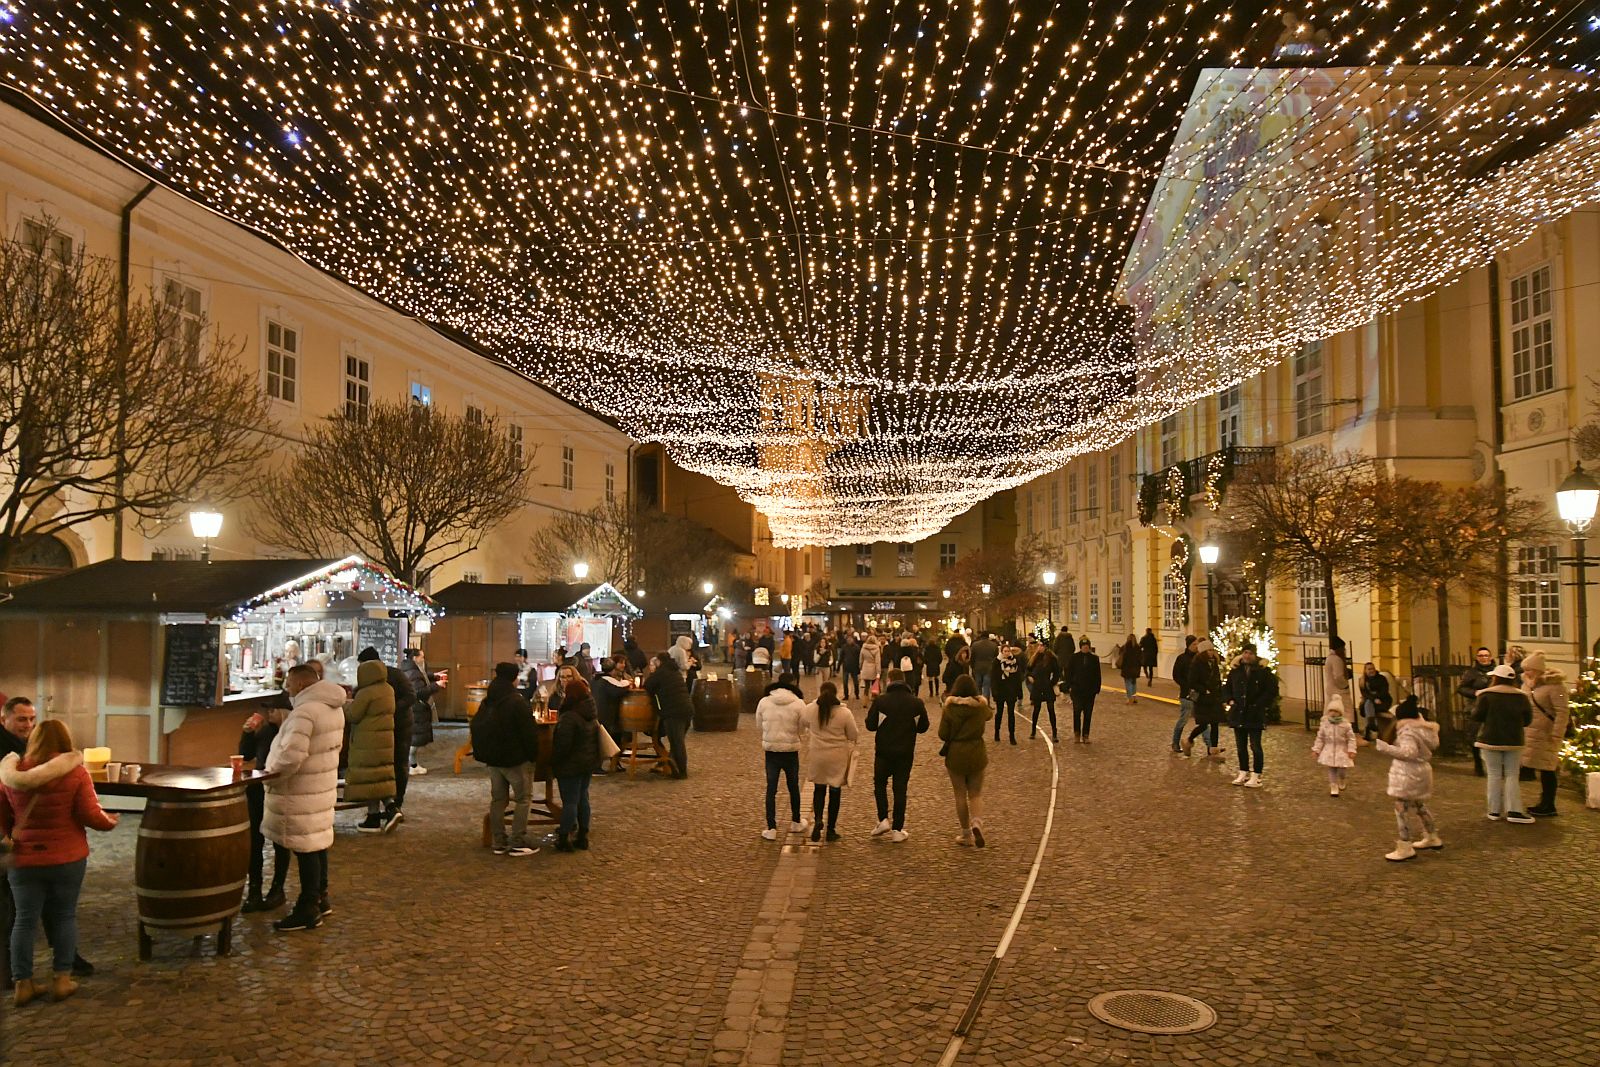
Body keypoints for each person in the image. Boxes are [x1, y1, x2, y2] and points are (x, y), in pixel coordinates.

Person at [0, 719, 117, 1006]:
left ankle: (22, 984)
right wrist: (110, 822)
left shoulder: (11, 774)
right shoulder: (75, 773)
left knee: (24, 920)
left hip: (24, 857)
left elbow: (2, 818)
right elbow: (91, 814)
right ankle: (62, 979)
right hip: (67, 856)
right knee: (64, 915)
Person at [262, 663, 346, 931]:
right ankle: (321, 898)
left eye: (288, 684)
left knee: (305, 847)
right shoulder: (332, 707)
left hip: (299, 791)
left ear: (300, 684)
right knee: (317, 843)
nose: (286, 690)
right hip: (320, 787)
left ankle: (308, 908)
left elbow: (291, 757)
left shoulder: (305, 713)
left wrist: (271, 775)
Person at [471, 663, 541, 857]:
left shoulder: (488, 700)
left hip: (493, 760)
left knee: (498, 799)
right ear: (514, 678)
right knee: (523, 799)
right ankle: (518, 840)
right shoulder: (516, 701)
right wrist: (532, 756)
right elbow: (528, 732)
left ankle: (499, 841)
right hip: (515, 759)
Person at [238, 698, 290, 914]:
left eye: (272, 709)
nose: (268, 713)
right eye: (267, 709)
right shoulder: (267, 731)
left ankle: (277, 889)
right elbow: (246, 754)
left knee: (280, 839)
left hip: (280, 789)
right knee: (255, 840)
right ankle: (254, 890)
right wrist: (247, 733)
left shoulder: (291, 734)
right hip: (259, 788)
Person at [1375, 697, 1443, 860]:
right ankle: (1432, 836)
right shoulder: (1426, 730)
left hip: (1408, 773)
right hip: (1423, 771)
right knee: (1419, 805)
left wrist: (1386, 748)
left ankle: (1404, 845)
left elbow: (1408, 753)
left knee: (1401, 808)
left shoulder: (1407, 732)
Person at [866, 668, 928, 842]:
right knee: (900, 789)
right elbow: (923, 727)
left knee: (880, 784)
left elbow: (870, 725)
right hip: (905, 752)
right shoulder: (916, 703)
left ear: (890, 681)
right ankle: (897, 829)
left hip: (883, 751)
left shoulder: (881, 701)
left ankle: (883, 818)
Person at [357, 646, 414, 831]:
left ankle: (396, 804)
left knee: (398, 763)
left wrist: (389, 710)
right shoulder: (368, 680)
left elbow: (410, 696)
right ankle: (389, 807)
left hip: (400, 727)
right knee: (382, 767)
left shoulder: (395, 675)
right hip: (382, 729)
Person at [1473, 664, 1534, 823]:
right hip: (1514, 740)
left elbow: (1477, 716)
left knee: (1493, 775)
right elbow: (1527, 720)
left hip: (1490, 739)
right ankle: (1514, 810)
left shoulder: (1486, 695)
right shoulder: (1521, 696)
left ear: (1495, 678)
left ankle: (1493, 811)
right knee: (1512, 775)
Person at [939, 676, 993, 848]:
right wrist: (982, 701)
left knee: (960, 794)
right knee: (975, 793)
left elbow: (942, 734)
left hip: (956, 753)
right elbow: (989, 714)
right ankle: (977, 823)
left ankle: (965, 834)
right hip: (977, 751)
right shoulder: (980, 708)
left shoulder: (949, 709)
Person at [346, 659, 398, 834]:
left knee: (370, 777)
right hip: (384, 741)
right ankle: (378, 814)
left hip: (367, 741)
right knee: (378, 777)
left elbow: (354, 715)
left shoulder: (367, 693)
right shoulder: (388, 689)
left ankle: (382, 813)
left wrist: (344, 706)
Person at [802, 682, 858, 843]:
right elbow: (853, 734)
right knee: (835, 792)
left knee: (818, 789)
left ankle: (818, 818)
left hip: (817, 754)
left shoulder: (812, 709)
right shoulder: (844, 713)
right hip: (837, 756)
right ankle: (831, 829)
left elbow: (804, 721)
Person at [755, 674, 808, 840]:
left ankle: (771, 827)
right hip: (791, 750)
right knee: (793, 786)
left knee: (771, 788)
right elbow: (802, 728)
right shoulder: (799, 703)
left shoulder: (764, 702)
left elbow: (759, 724)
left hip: (771, 750)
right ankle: (796, 821)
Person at [551, 676, 600, 853]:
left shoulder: (570, 717)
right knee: (583, 798)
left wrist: (554, 761)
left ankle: (564, 838)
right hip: (586, 763)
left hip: (570, 765)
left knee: (570, 801)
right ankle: (582, 836)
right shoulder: (590, 712)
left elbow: (563, 746)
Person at [1521, 650, 1571, 817]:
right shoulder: (1528, 685)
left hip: (1547, 734)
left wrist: (1557, 734)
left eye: (1529, 669)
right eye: (1525, 669)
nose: (1526, 672)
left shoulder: (1556, 686)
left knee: (1548, 768)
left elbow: (1563, 712)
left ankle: (1548, 804)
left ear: (1538, 670)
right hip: (1532, 733)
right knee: (1542, 768)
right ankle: (1543, 802)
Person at [1224, 643, 1277, 788]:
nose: (1247, 656)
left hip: (1254, 714)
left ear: (1255, 655)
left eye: (1250, 653)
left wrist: (1259, 704)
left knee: (1255, 745)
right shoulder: (1236, 671)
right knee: (1241, 746)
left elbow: (1271, 691)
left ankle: (1256, 775)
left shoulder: (1263, 671)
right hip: (1238, 713)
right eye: (1245, 653)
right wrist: (1230, 699)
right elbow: (1227, 687)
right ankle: (1243, 771)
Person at [644, 651, 693, 779]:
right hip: (686, 709)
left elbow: (647, 685)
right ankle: (672, 767)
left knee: (677, 742)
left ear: (659, 661)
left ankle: (681, 772)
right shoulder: (674, 670)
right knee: (678, 741)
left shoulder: (661, 672)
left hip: (673, 711)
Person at [1455, 646, 1496, 777]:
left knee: (1492, 737)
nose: (1484, 658)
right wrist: (1475, 692)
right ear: (1477, 658)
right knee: (1475, 736)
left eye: (1486, 655)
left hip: (1493, 708)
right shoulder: (1471, 673)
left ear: (1490, 657)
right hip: (1476, 706)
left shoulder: (1496, 671)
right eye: (1481, 656)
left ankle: (1493, 765)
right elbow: (1461, 688)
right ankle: (1478, 763)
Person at [1312, 693, 1359, 796]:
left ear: (1340, 713)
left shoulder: (1345, 725)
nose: (1333, 713)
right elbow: (1320, 738)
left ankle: (1342, 779)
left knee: (1342, 769)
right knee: (1332, 769)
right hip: (1329, 750)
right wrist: (1316, 749)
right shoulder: (1325, 724)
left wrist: (1351, 750)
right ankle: (1333, 785)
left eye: (1336, 711)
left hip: (1342, 750)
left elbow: (1351, 738)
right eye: (1331, 711)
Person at [1183, 639, 1224, 757]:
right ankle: (1189, 740)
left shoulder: (1214, 662)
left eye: (1212, 650)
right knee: (1204, 724)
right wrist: (1204, 690)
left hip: (1214, 697)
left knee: (1215, 723)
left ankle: (1214, 750)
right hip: (1203, 699)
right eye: (1209, 650)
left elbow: (1217, 678)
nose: (1211, 652)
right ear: (1203, 652)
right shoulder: (1197, 664)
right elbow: (1192, 681)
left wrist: (1219, 692)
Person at [401, 647, 440, 775]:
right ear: (415, 658)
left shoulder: (410, 668)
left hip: (413, 708)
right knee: (414, 740)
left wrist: (435, 676)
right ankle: (411, 766)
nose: (423, 659)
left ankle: (412, 764)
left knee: (414, 739)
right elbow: (419, 692)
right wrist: (436, 686)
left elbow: (422, 677)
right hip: (416, 708)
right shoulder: (413, 671)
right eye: (422, 657)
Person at [1066, 637, 1102, 743]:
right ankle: (1077, 733)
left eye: (1087, 646)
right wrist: (1069, 686)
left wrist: (1097, 688)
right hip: (1077, 690)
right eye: (1083, 646)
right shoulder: (1074, 658)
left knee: (1088, 713)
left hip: (1090, 691)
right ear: (1080, 647)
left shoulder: (1094, 659)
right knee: (1077, 712)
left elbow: (1097, 674)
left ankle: (1086, 735)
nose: (1085, 648)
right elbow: (1069, 673)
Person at [1169, 636, 1198, 753]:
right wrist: (1186, 686)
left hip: (1198, 694)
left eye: (1197, 644)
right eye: (1194, 644)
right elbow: (1176, 675)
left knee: (1204, 722)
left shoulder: (1199, 658)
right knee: (1183, 720)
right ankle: (1175, 742)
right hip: (1186, 695)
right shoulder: (1182, 658)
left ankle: (1210, 747)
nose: (1197, 647)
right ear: (1189, 645)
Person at [1026, 642, 1060, 743]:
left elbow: (1057, 672)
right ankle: (1033, 731)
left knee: (1051, 709)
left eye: (1041, 646)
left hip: (1047, 687)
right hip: (1037, 686)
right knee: (1036, 709)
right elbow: (1028, 669)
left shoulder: (1051, 658)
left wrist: (1052, 682)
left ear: (1045, 647)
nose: (1039, 647)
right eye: (1039, 646)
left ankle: (1054, 733)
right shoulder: (1035, 657)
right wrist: (1030, 676)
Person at [993, 641, 1022, 744]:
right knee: (999, 713)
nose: (1007, 653)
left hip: (1011, 691)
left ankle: (1012, 736)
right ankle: (997, 732)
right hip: (1000, 691)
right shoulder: (996, 662)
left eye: (1008, 651)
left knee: (1011, 714)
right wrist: (994, 692)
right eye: (1005, 651)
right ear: (1001, 652)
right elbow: (994, 678)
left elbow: (1018, 678)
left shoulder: (1014, 662)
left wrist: (1019, 693)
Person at [1357, 662, 1393, 741]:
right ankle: (1371, 724)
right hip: (1371, 702)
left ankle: (1369, 728)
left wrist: (1376, 698)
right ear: (1365, 671)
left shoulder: (1381, 678)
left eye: (1372, 668)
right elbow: (1365, 694)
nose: (1371, 670)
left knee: (1368, 706)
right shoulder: (1362, 681)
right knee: (1368, 704)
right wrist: (1374, 699)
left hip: (1383, 701)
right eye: (1369, 669)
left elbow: (1384, 691)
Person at [1325, 636, 1352, 719]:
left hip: (1331, 689)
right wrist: (1345, 685)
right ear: (1339, 648)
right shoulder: (1337, 659)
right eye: (1343, 648)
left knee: (1331, 712)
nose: (1344, 650)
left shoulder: (1329, 658)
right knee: (1345, 713)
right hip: (1339, 691)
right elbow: (1338, 676)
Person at [969, 632, 999, 702]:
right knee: (986, 687)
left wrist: (972, 666)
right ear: (988, 636)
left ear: (980, 636)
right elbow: (996, 658)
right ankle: (985, 703)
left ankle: (978, 702)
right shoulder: (993, 645)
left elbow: (972, 657)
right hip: (989, 668)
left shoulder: (975, 645)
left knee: (977, 686)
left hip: (977, 667)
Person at [1116, 634, 1142, 703]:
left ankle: (1129, 697)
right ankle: (1134, 697)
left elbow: (1120, 654)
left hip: (1127, 668)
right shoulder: (1137, 647)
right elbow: (1140, 658)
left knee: (1128, 683)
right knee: (1134, 683)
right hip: (1135, 669)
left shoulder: (1125, 647)